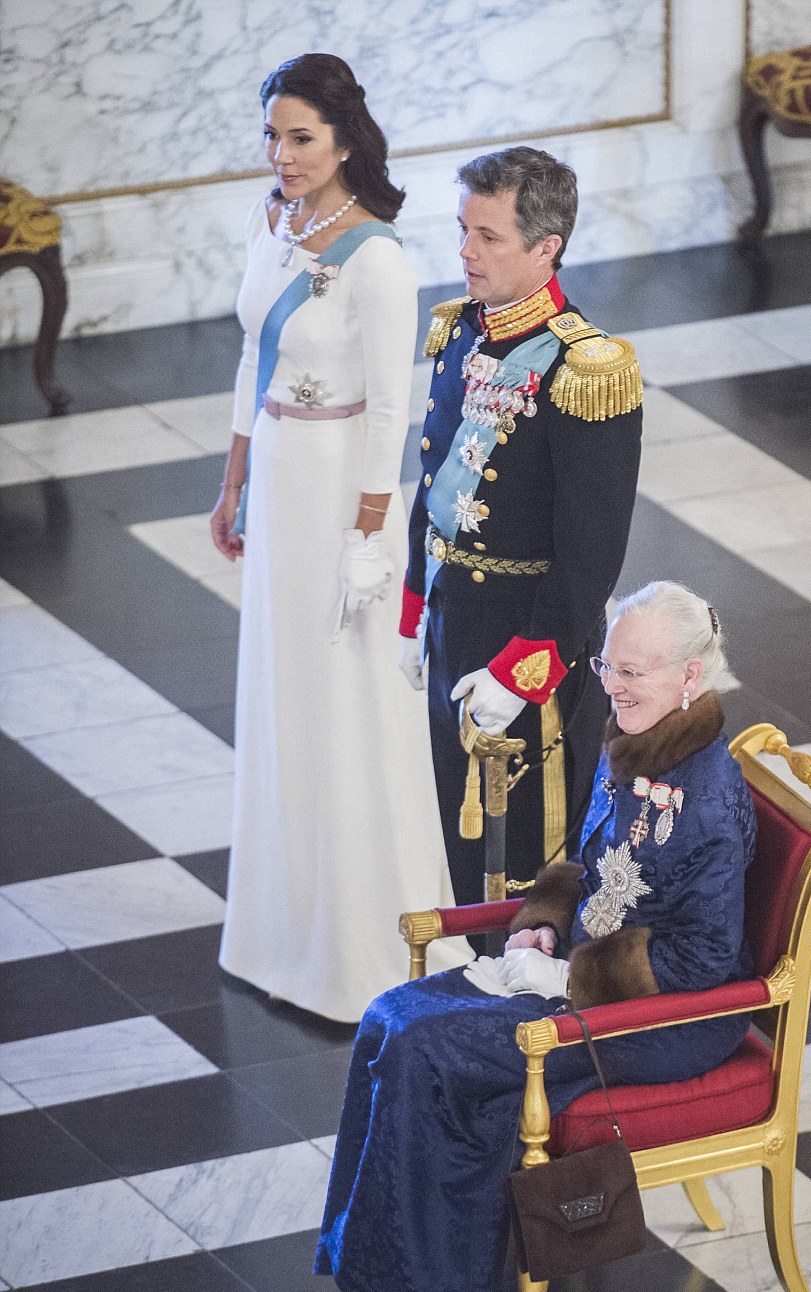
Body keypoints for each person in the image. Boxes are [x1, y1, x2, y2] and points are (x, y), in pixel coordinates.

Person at [316, 582, 757, 1292]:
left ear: (691, 675)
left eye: (634, 673)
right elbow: (586, 866)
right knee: (391, 1015)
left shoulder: (712, 801)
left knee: (430, 1053)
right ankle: (379, 1280)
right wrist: (544, 928)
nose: (612, 686)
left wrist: (569, 982)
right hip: (584, 981)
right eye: (608, 665)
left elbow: (705, 962)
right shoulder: (640, 740)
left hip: (663, 1024)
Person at [212, 54, 466, 1023]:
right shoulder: (266, 221)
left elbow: (391, 413)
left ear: (344, 141)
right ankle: (277, 933)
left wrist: (369, 536)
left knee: (346, 702)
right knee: (282, 693)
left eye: (299, 137)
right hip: (277, 478)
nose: (280, 155)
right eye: (273, 136)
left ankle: (359, 945)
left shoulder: (380, 259)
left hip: (339, 496)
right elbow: (249, 352)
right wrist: (231, 477)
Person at [397, 146, 644, 907]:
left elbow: (591, 553)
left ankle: (530, 1014)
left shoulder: (586, 369)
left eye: (488, 237)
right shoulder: (460, 332)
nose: (464, 252)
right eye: (463, 230)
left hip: (529, 638)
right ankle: (479, 997)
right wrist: (415, 605)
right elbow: (437, 479)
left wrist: (524, 665)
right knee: (463, 842)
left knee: (529, 867)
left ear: (547, 249)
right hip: (454, 621)